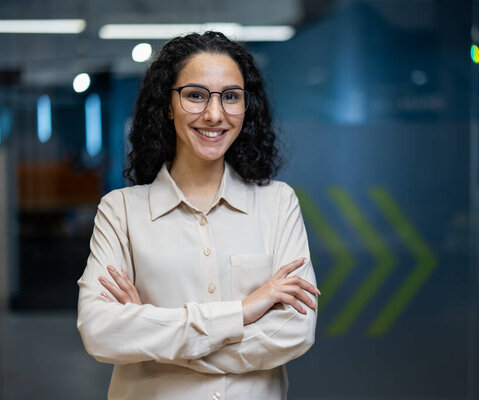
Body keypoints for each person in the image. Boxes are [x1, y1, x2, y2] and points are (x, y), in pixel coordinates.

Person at [77, 31, 319, 400]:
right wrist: (242, 312)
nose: (215, 114)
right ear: (168, 104)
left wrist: (156, 336)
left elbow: (294, 332)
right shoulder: (121, 210)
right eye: (195, 95)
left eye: (231, 97)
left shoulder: (277, 203)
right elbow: (100, 331)